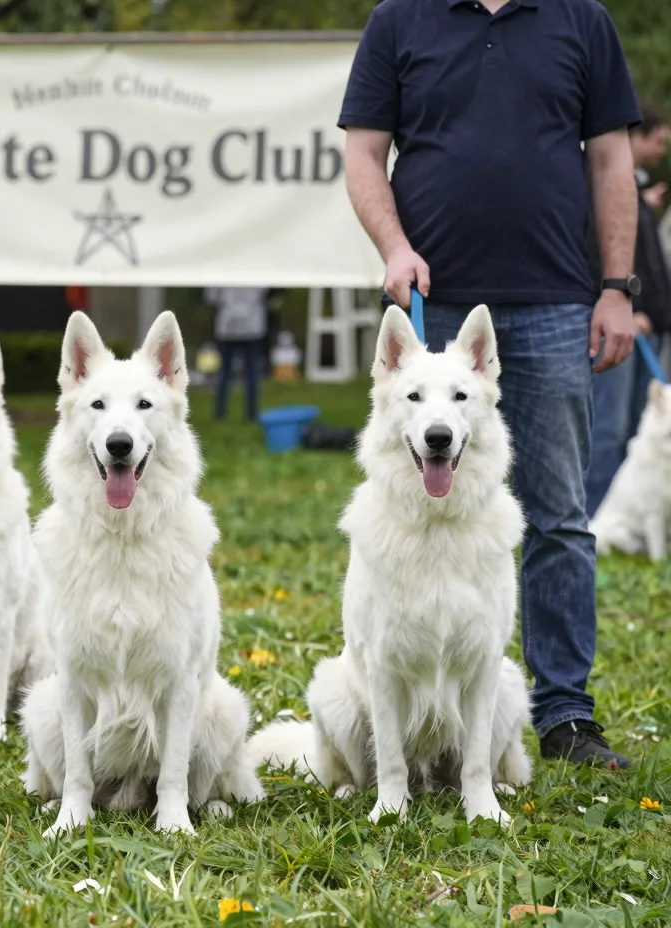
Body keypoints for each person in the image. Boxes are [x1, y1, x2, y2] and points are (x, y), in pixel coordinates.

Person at [340, 0, 640, 769]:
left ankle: (566, 714)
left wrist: (616, 285)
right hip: (431, 297)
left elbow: (611, 161)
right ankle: (405, 703)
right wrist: (394, 246)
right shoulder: (398, 21)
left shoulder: (584, 21)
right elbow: (365, 154)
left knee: (560, 515)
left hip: (555, 300)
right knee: (410, 509)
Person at [585, 105, 671, 516]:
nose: (662, 151)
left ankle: (631, 514)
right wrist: (625, 303)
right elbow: (606, 251)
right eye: (658, 141)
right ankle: (597, 519)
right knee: (610, 429)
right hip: (625, 326)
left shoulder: (634, 192)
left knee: (640, 430)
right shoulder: (603, 190)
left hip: (649, 330)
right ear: (633, 137)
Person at [205, 286, 269, 422]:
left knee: (224, 371)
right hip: (252, 324)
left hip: (228, 324)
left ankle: (220, 413)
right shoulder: (258, 267)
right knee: (251, 372)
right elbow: (264, 292)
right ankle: (251, 414)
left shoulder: (220, 268)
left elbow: (211, 297)